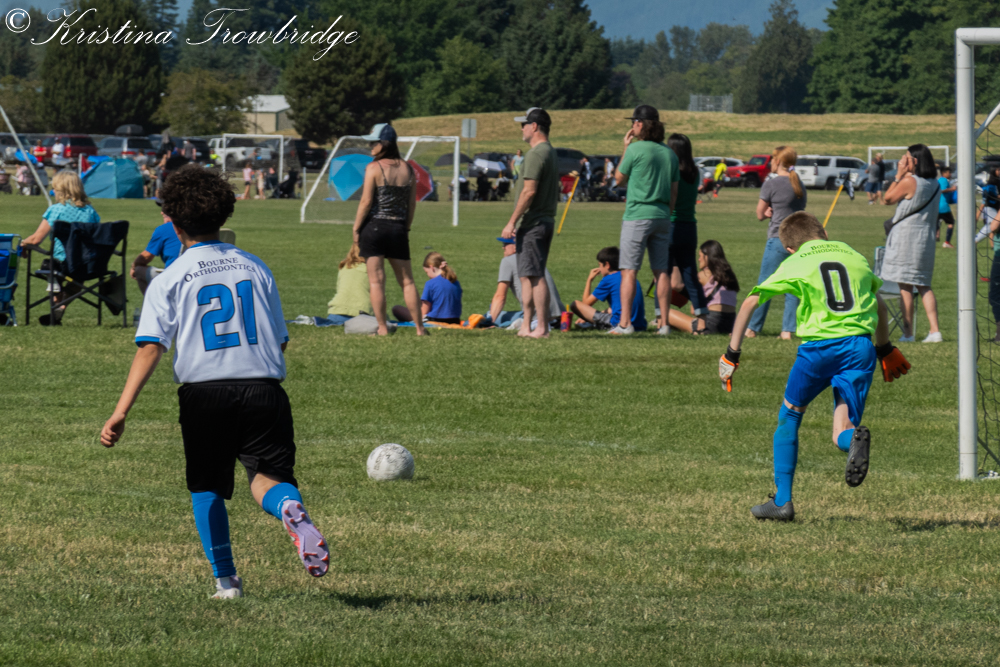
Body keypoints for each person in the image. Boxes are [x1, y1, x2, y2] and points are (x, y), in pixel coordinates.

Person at [99, 165, 329, 599]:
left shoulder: (170, 277)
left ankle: (227, 582)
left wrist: (120, 411)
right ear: (223, 216)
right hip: (265, 389)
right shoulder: (256, 266)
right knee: (267, 477)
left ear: (174, 223)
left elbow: (150, 348)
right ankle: (287, 506)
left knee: (207, 487)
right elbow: (280, 340)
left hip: (205, 393)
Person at [718, 211, 912, 521]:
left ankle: (782, 501)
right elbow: (877, 303)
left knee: (790, 415)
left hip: (819, 349)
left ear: (789, 248)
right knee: (842, 429)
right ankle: (852, 439)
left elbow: (751, 302)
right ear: (824, 233)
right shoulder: (853, 255)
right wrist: (885, 349)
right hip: (860, 348)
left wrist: (732, 354)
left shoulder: (796, 261)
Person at [353, 123, 426, 336]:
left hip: (374, 228)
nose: (370, 146)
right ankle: (420, 329)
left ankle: (383, 329)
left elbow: (366, 202)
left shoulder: (373, 168)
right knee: (407, 281)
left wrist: (356, 228)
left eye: (374, 142)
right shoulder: (408, 169)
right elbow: (411, 204)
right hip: (398, 229)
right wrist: (405, 227)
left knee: (376, 282)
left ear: (384, 144)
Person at [612, 104, 678, 335]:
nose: (632, 126)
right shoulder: (670, 153)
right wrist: (667, 214)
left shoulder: (635, 149)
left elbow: (618, 179)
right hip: (662, 216)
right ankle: (664, 324)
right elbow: (674, 192)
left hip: (637, 215)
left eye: (634, 122)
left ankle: (625, 324)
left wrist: (625, 147)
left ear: (640, 124)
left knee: (629, 271)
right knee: (661, 272)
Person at [500, 107, 561, 339]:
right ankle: (527, 325)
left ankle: (542, 327)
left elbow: (529, 191)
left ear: (534, 126)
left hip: (534, 223)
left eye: (523, 124)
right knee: (527, 276)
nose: (521, 129)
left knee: (535, 276)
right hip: (542, 221)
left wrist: (511, 222)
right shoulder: (549, 151)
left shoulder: (536, 154)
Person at [20, 170, 101, 325]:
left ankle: (56, 305)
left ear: (62, 190)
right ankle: (61, 307)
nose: (53, 191)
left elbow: (36, 239)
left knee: (51, 268)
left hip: (61, 264)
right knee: (77, 279)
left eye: (55, 188)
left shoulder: (56, 209)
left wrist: (23, 243)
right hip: (85, 264)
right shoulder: (91, 212)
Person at [882, 143, 943, 343]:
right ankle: (935, 331)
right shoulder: (935, 184)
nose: (902, 160)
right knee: (924, 284)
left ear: (914, 161)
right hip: (925, 238)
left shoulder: (910, 181)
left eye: (906, 157)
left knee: (905, 285)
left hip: (906, 238)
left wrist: (898, 175)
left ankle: (908, 334)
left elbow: (887, 199)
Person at [746, 145, 807, 340]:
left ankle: (752, 328)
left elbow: (759, 214)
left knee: (765, 286)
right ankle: (787, 330)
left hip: (777, 239)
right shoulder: (799, 184)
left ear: (778, 161)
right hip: (798, 241)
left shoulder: (771, 184)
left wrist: (767, 213)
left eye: (772, 159)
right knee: (793, 288)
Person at [666, 133, 708, 324]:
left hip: (672, 224)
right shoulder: (694, 172)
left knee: (663, 273)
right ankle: (702, 314)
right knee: (690, 273)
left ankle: (661, 316)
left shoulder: (672, 171)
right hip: (690, 226)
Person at [487, 236, 564, 329]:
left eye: (506, 244)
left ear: (515, 247)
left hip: (536, 317)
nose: (503, 247)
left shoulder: (508, 261)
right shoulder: (536, 259)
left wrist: (489, 322)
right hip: (560, 317)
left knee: (491, 315)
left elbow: (500, 297)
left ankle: (526, 323)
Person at [666, 240, 739, 335]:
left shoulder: (703, 275)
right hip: (731, 324)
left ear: (707, 257)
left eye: (700, 256)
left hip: (711, 324)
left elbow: (676, 285)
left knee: (666, 313)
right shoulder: (729, 275)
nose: (699, 259)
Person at [569, 246, 646, 332]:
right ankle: (593, 322)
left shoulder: (608, 279)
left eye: (600, 265)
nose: (599, 269)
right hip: (640, 324)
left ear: (607, 265)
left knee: (575, 304)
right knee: (610, 309)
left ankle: (600, 325)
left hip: (620, 323)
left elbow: (585, 304)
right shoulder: (629, 278)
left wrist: (589, 280)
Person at [393, 252, 463, 325]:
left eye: (427, 272)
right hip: (455, 320)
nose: (428, 275)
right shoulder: (455, 282)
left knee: (396, 309)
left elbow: (424, 312)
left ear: (431, 267)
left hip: (435, 320)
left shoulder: (430, 283)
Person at [130, 218, 182, 295]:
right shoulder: (199, 225)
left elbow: (145, 257)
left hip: (173, 279)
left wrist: (134, 267)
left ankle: (151, 302)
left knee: (139, 270)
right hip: (198, 274)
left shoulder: (165, 228)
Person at [326, 243, 371, 325]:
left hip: (336, 312)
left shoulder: (345, 267)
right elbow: (378, 297)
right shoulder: (373, 271)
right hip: (362, 315)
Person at [937, 165, 957, 248]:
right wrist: (952, 189)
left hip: (937, 206)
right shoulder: (944, 180)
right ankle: (947, 242)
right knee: (951, 222)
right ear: (943, 173)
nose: (950, 174)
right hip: (943, 207)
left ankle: (936, 237)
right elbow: (942, 190)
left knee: (935, 223)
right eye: (949, 172)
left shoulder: (939, 180)